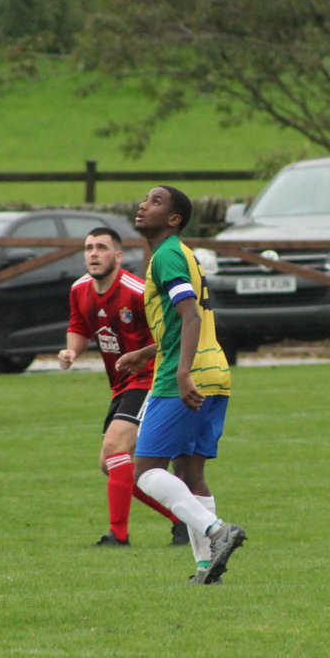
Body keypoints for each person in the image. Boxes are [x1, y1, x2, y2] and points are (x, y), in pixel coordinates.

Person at [124, 185, 246, 585]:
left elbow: (189, 316)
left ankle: (217, 531)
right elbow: (182, 323)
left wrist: (180, 372)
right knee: (190, 472)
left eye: (156, 202)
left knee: (144, 470)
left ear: (174, 220)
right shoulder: (185, 254)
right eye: (145, 199)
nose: (144, 205)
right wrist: (146, 353)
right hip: (215, 371)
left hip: (185, 373)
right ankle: (206, 567)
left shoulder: (167, 255)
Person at [58, 226, 188, 548]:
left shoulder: (136, 291)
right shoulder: (79, 290)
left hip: (151, 379)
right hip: (121, 384)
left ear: (117, 256)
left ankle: (118, 535)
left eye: (101, 248)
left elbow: (172, 332)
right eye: (88, 248)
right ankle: (183, 520)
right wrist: (72, 350)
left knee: (115, 449)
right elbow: (78, 325)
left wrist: (148, 359)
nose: (93, 254)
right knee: (114, 466)